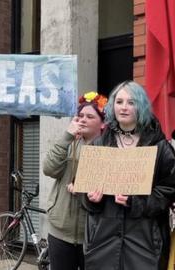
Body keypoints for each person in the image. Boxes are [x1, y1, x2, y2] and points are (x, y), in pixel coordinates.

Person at [82, 81, 175, 270]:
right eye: (119, 101)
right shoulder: (98, 145)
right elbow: (84, 194)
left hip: (145, 242)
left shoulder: (158, 146)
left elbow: (169, 190)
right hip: (103, 243)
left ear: (141, 106)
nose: (124, 107)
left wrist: (136, 202)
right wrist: (91, 198)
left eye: (131, 102)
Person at [42, 91, 107, 270]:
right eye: (80, 116)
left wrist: (86, 187)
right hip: (61, 231)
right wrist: (66, 136)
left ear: (103, 123)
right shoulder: (67, 143)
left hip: (94, 234)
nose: (83, 120)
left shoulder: (110, 149)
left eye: (90, 116)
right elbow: (49, 168)